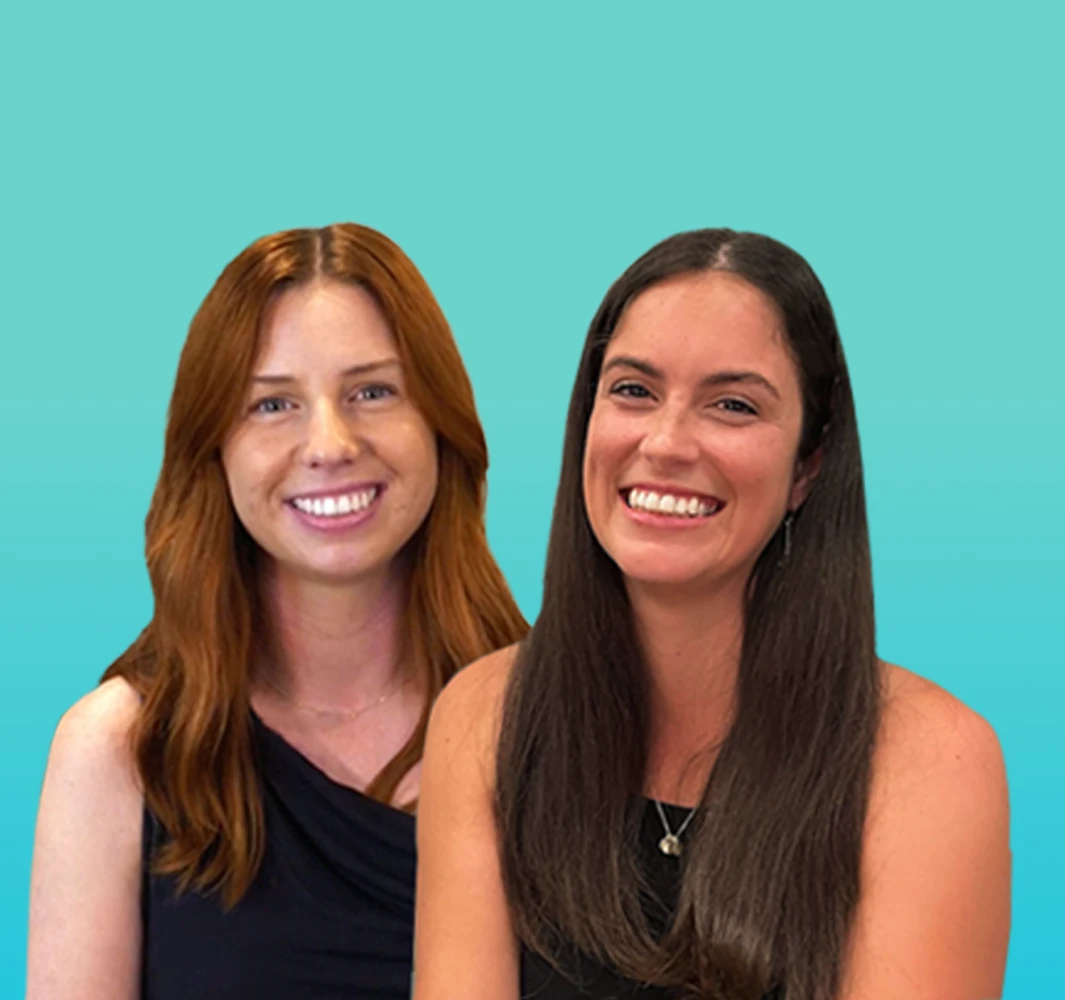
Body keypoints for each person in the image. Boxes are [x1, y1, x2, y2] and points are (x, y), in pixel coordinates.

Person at [413, 229, 1011, 1000]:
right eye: (633, 390)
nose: (665, 442)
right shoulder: (483, 718)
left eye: (732, 405)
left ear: (808, 466)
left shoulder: (931, 761)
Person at [27, 223, 528, 1000]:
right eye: (272, 404)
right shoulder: (120, 750)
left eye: (372, 391)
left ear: (441, 423)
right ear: (213, 450)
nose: (329, 443)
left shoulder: (551, 724)